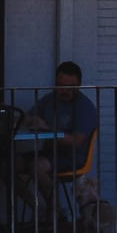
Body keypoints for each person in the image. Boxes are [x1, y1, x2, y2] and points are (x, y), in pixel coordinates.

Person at [21, 62, 98, 203]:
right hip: (49, 152)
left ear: (79, 85)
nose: (64, 90)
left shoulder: (84, 107)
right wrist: (31, 120)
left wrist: (48, 130)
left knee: (36, 166)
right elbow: (25, 119)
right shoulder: (49, 99)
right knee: (7, 164)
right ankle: (38, 208)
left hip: (72, 157)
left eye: (70, 87)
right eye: (60, 85)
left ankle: (53, 207)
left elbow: (76, 141)